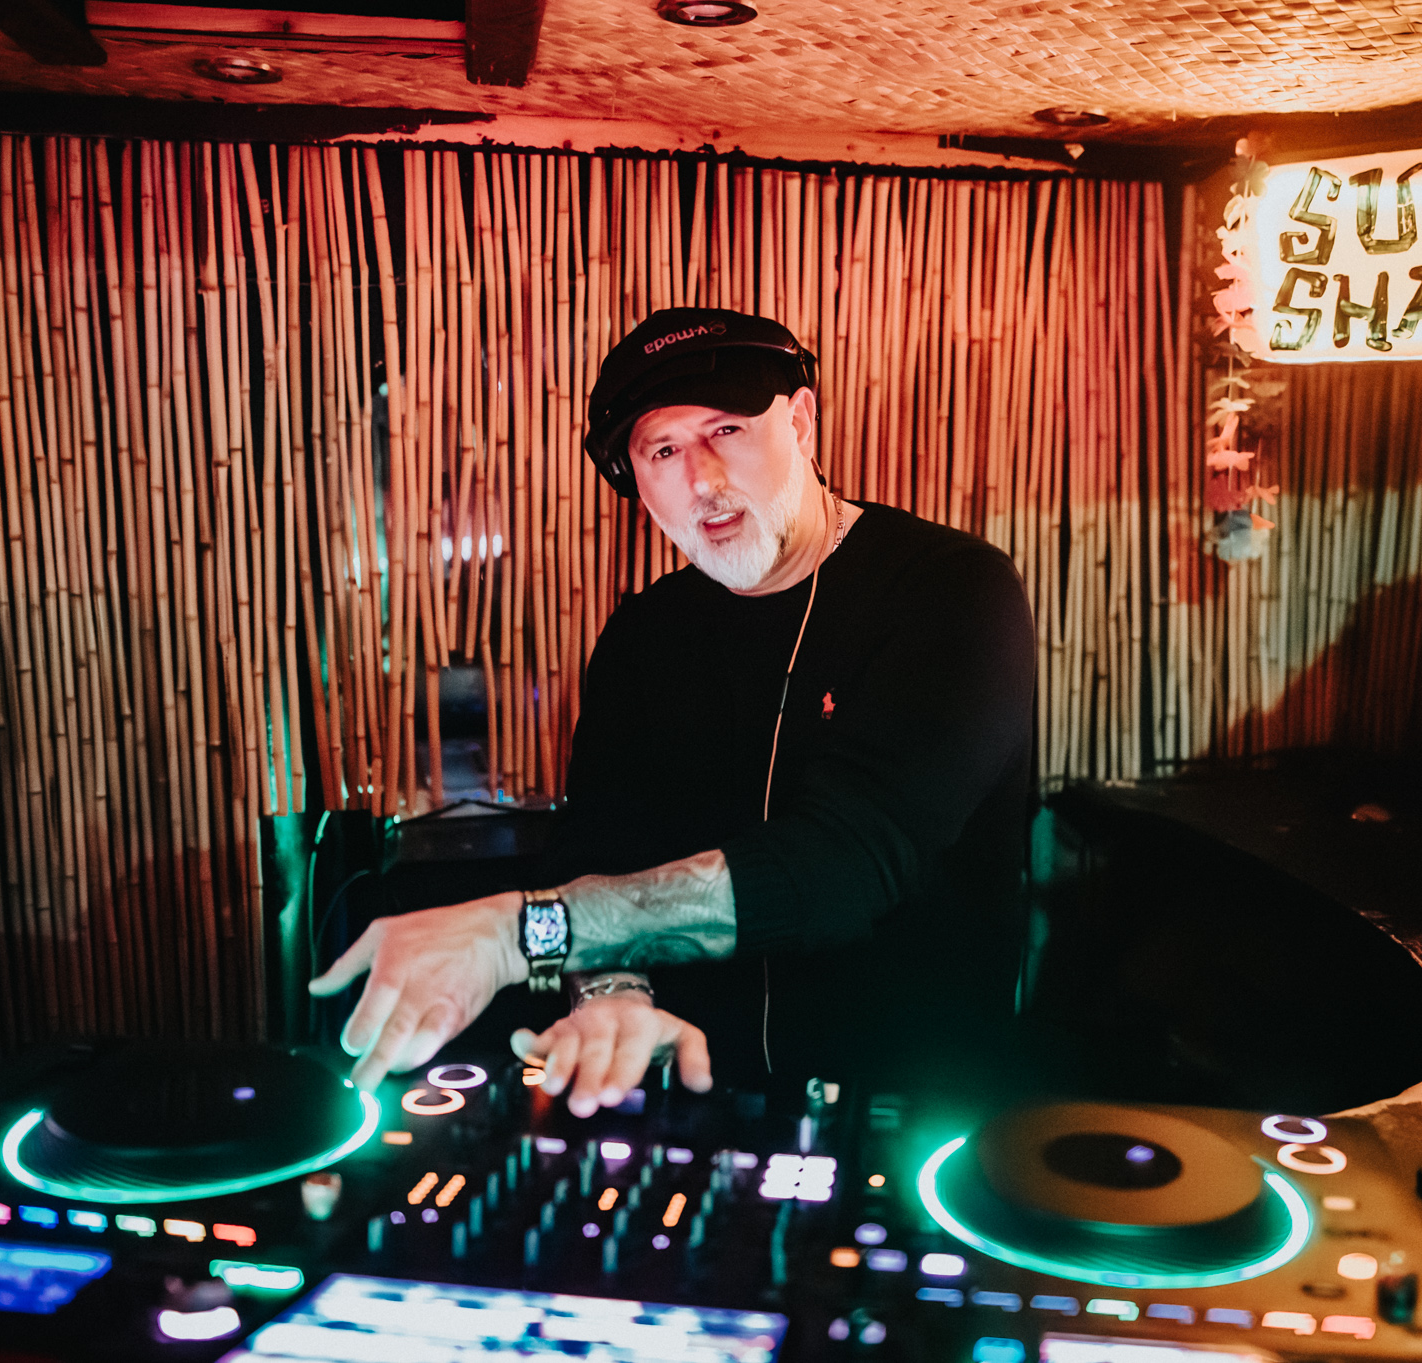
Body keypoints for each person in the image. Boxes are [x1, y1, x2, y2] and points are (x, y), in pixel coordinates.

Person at [309, 308, 1036, 1114]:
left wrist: (520, 933)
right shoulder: (645, 634)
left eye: (726, 429)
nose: (702, 478)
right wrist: (610, 989)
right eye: (663, 449)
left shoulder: (952, 591)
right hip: (696, 1099)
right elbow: (600, 848)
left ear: (800, 422)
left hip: (917, 1104)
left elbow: (840, 865)